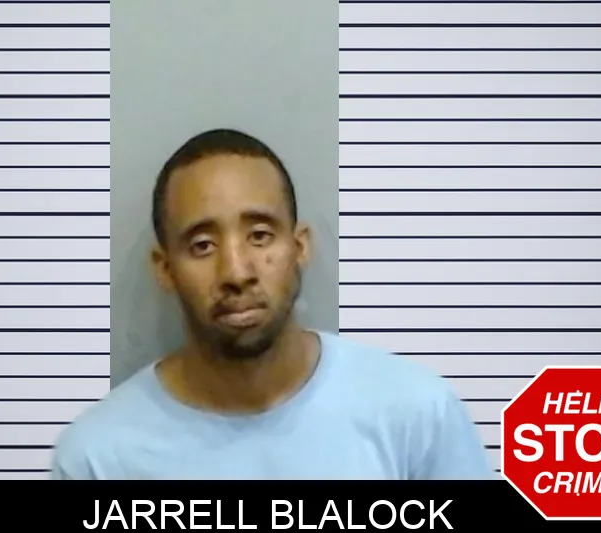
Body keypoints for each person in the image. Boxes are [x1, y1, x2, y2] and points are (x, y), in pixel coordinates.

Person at [51, 128, 495, 480]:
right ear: (165, 268)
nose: (236, 271)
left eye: (260, 236)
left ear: (299, 247)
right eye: (203, 245)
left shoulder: (416, 415)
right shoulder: (98, 459)